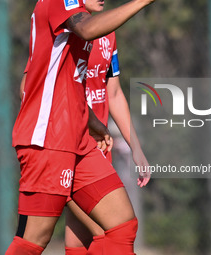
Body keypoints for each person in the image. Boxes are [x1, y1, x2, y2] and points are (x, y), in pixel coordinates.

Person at [6, 0, 154, 254]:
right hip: (48, 139)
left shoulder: (91, 26)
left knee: (122, 226)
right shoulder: (60, 3)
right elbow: (86, 30)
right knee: (32, 242)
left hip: (78, 141)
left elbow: (73, 83)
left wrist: (90, 120)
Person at [64, 1, 150, 254]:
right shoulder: (64, 29)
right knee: (111, 231)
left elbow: (112, 93)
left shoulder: (107, 33)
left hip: (99, 149)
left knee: (80, 241)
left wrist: (136, 147)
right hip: (70, 148)